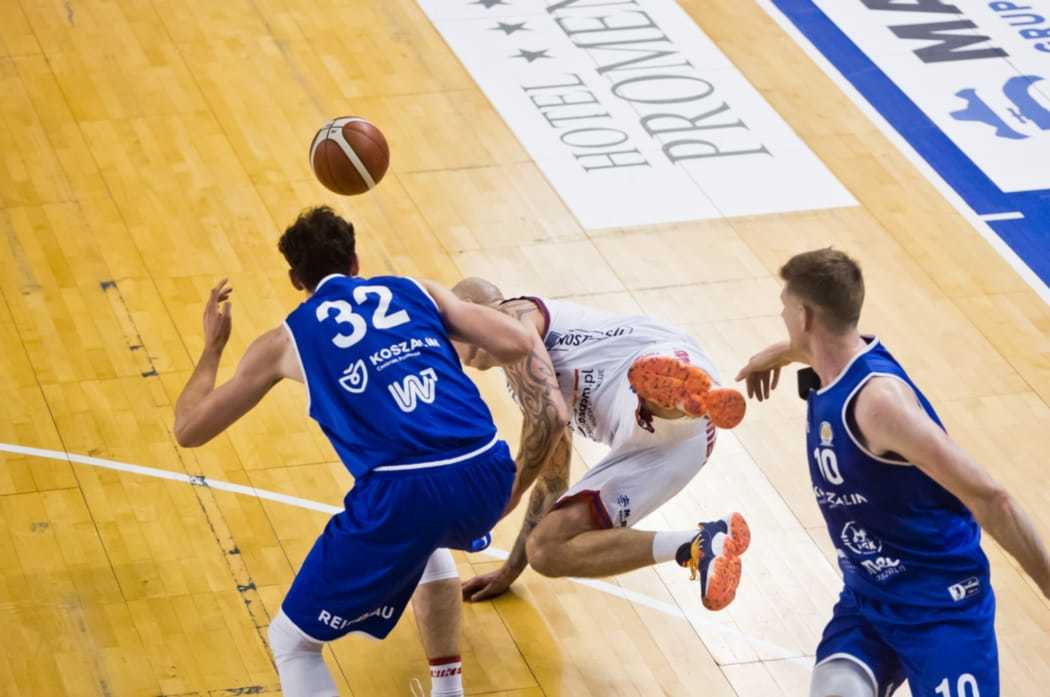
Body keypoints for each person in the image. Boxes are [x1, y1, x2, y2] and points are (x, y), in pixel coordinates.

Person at [173, 206, 538, 697]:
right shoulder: (416, 290)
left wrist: (213, 346)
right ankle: (448, 691)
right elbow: (518, 342)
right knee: (424, 541)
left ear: (295, 278)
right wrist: (427, 333)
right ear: (355, 261)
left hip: (405, 494)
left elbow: (190, 430)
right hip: (488, 471)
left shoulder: (283, 341)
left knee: (292, 642)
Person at [735, 248, 1050, 697]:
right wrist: (779, 354)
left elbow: (991, 498)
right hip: (870, 602)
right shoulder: (839, 362)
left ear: (804, 316)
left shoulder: (879, 404)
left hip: (940, 607)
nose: (781, 316)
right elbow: (826, 344)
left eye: (785, 308)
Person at [452, 278, 751, 611]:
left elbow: (550, 417)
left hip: (651, 359)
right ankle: (701, 543)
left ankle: (690, 397)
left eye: (450, 330)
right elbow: (551, 481)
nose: (450, 345)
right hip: (670, 449)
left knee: (645, 391)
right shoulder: (524, 384)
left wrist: (510, 493)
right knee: (546, 550)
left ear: (468, 308)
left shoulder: (512, 315)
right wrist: (509, 571)